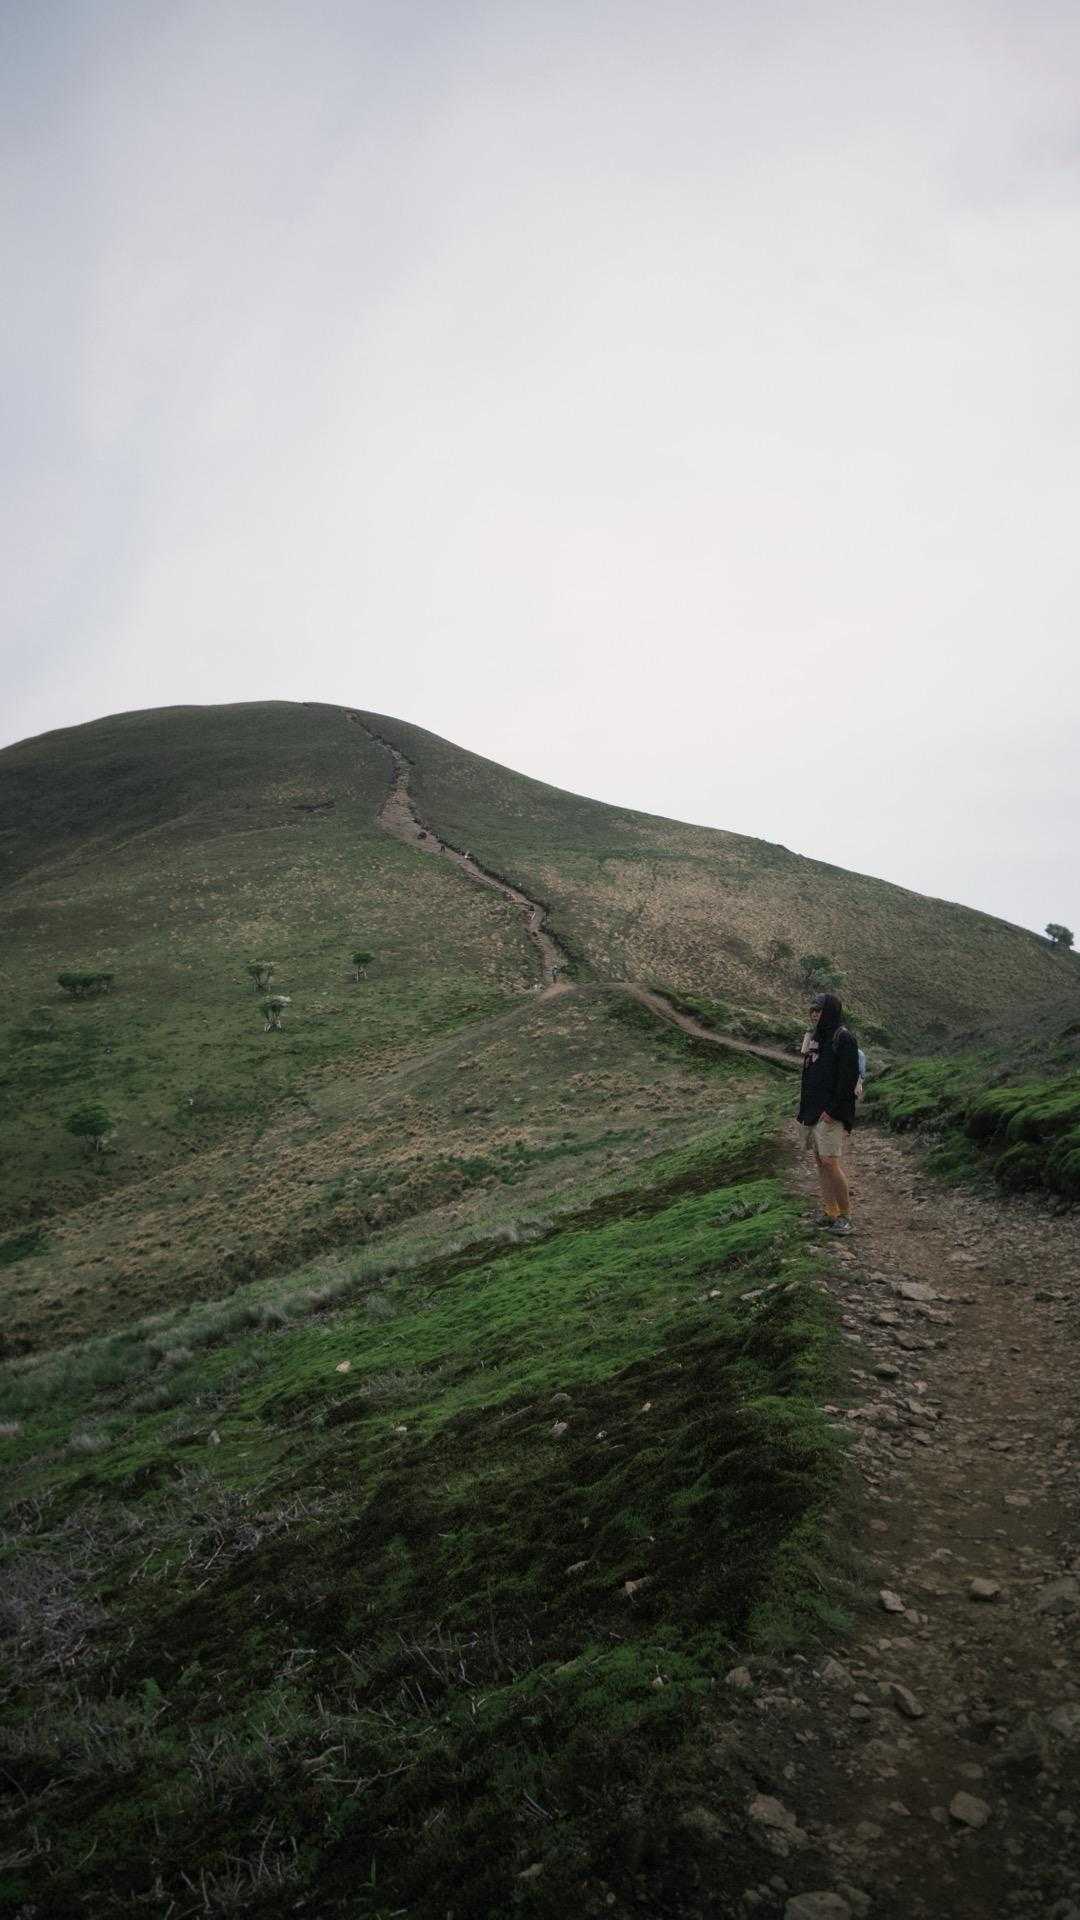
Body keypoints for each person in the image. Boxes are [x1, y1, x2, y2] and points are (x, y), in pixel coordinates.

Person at [798, 989, 860, 1233]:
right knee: (820, 1162)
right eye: (812, 1010)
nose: (814, 1015)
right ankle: (829, 1211)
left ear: (830, 1012)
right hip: (813, 1110)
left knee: (830, 1162)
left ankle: (845, 1217)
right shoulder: (816, 1037)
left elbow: (848, 1080)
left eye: (819, 1010)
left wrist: (833, 1111)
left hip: (830, 1112)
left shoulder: (843, 1038)